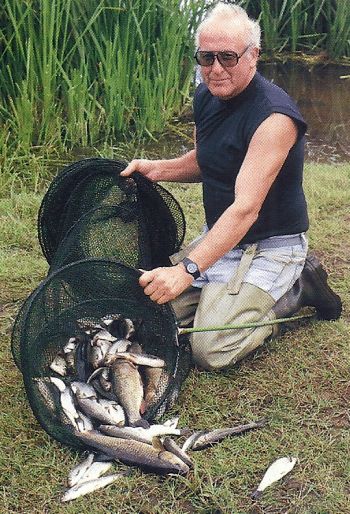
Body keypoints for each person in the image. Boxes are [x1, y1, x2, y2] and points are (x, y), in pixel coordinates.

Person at [121, 2, 342, 370]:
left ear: (253, 55)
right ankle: (221, 298)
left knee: (210, 350)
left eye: (227, 57)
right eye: (206, 58)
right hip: (222, 238)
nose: (215, 69)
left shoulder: (274, 118)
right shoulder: (206, 95)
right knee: (145, 315)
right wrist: (156, 169)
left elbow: (245, 208)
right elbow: (208, 160)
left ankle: (297, 287)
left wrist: (185, 271)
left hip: (269, 246)